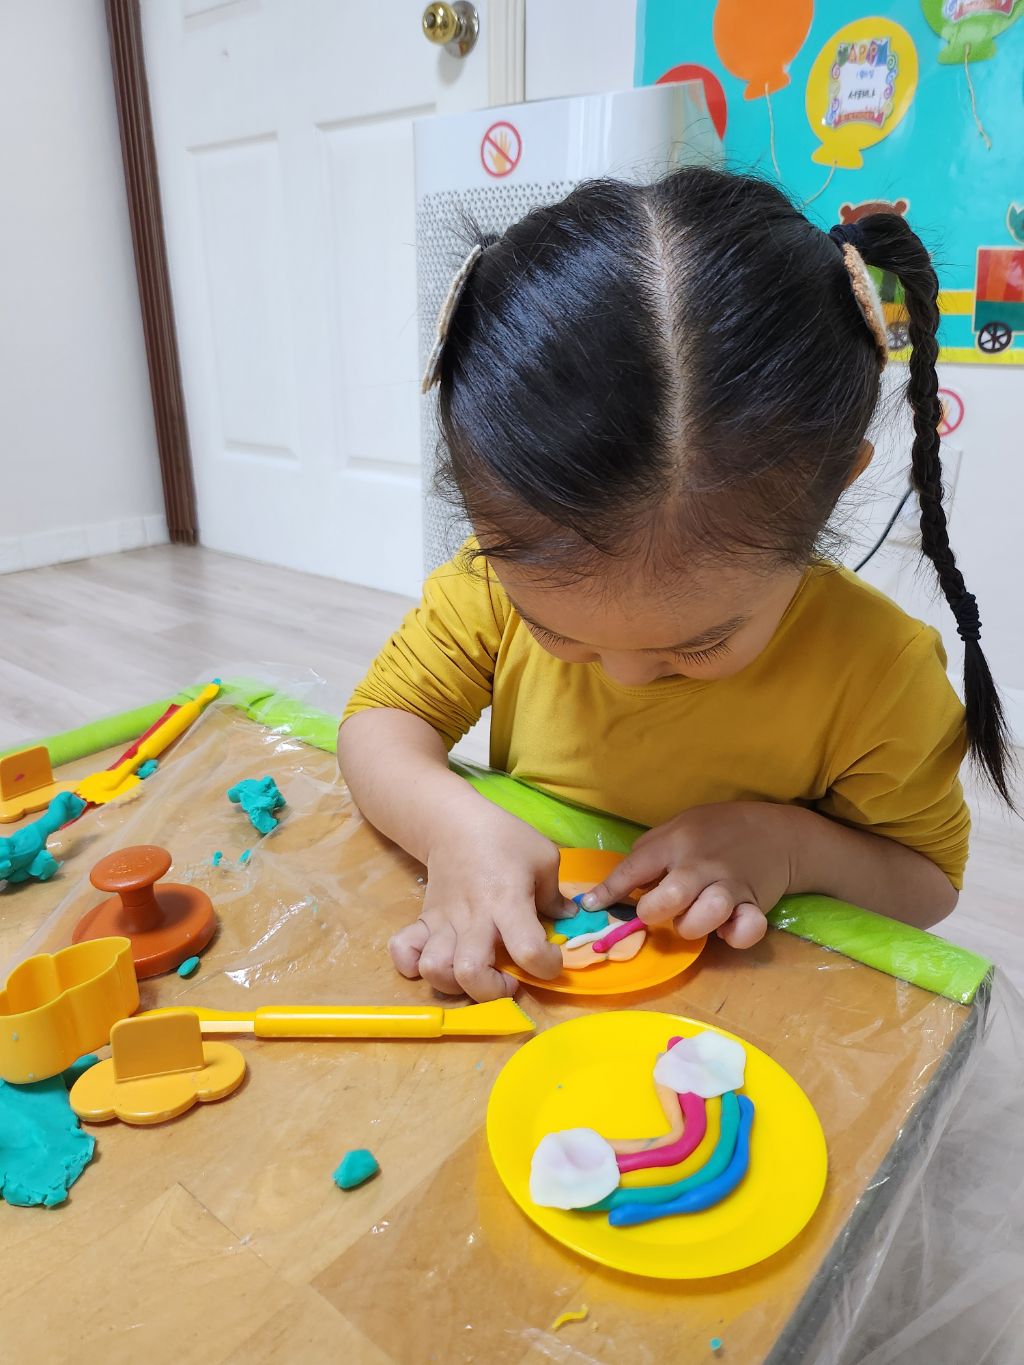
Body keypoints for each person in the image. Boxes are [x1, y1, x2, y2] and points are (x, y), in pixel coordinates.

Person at [339, 167, 1014, 1003]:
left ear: (831, 493)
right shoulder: (487, 586)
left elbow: (928, 882)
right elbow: (378, 725)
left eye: (700, 642)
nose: (624, 676)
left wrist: (790, 847)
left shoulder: (880, 673)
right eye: (556, 630)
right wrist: (454, 829)